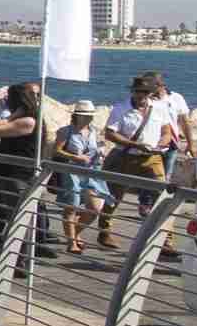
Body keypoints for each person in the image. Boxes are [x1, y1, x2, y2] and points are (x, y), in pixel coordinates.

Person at [96, 75, 174, 253]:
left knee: (164, 195)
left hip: (152, 158)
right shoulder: (121, 108)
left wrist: (161, 144)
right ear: (132, 91)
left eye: (145, 92)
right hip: (126, 156)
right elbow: (110, 133)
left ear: (151, 92)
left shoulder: (160, 108)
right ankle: (104, 231)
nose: (141, 95)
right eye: (138, 91)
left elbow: (167, 131)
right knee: (114, 196)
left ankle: (166, 240)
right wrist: (134, 144)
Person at [0, 81, 46, 256]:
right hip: (10, 174)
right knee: (10, 217)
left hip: (18, 176)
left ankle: (19, 262)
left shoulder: (28, 120)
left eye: (9, 98)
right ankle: (15, 259)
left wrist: (13, 115)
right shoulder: (26, 118)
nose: (6, 101)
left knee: (17, 220)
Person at [52, 102, 110, 255]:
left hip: (92, 172)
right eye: (85, 116)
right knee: (72, 207)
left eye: (90, 116)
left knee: (95, 209)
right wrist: (75, 157)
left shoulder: (94, 131)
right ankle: (72, 242)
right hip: (72, 172)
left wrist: (101, 151)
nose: (88, 118)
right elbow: (57, 151)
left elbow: (99, 145)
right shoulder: (66, 131)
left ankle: (74, 233)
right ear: (77, 115)